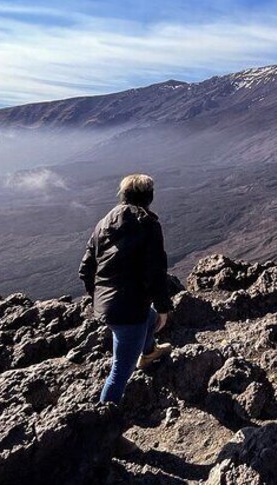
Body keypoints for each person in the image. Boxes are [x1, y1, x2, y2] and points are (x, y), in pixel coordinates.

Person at [79, 173, 173, 404]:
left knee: (150, 320)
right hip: (128, 311)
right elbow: (155, 271)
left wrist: (100, 298)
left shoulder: (104, 223)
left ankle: (149, 352)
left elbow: (85, 269)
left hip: (109, 306)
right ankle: (103, 421)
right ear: (149, 197)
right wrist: (163, 307)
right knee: (120, 373)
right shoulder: (148, 225)